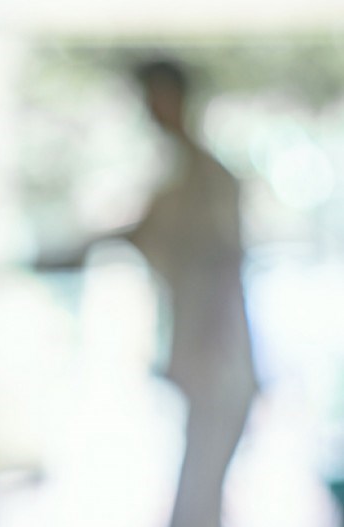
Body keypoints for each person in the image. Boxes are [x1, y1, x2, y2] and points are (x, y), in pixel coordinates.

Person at [127, 59, 257, 527]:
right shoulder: (178, 182)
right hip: (201, 356)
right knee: (196, 494)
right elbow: (136, 236)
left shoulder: (208, 179)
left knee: (198, 498)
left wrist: (209, 345)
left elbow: (226, 261)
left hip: (217, 358)